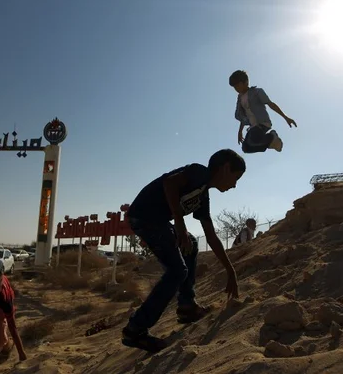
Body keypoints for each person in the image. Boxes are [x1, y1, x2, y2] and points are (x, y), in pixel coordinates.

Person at [122, 149, 244, 352]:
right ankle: (135, 329)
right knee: (177, 271)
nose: (234, 185)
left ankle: (187, 306)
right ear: (225, 168)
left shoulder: (203, 196)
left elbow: (211, 236)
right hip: (144, 216)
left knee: (191, 244)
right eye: (235, 178)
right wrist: (179, 223)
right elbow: (169, 183)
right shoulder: (198, 172)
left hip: (158, 221)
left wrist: (230, 271)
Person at [229, 70, 297, 153]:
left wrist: (285, 117)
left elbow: (271, 104)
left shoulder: (256, 92)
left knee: (253, 139)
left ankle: (272, 136)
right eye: (234, 87)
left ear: (246, 82)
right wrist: (240, 131)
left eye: (238, 85)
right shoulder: (240, 99)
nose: (236, 89)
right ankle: (271, 143)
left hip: (262, 123)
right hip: (253, 126)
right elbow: (243, 116)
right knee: (246, 148)